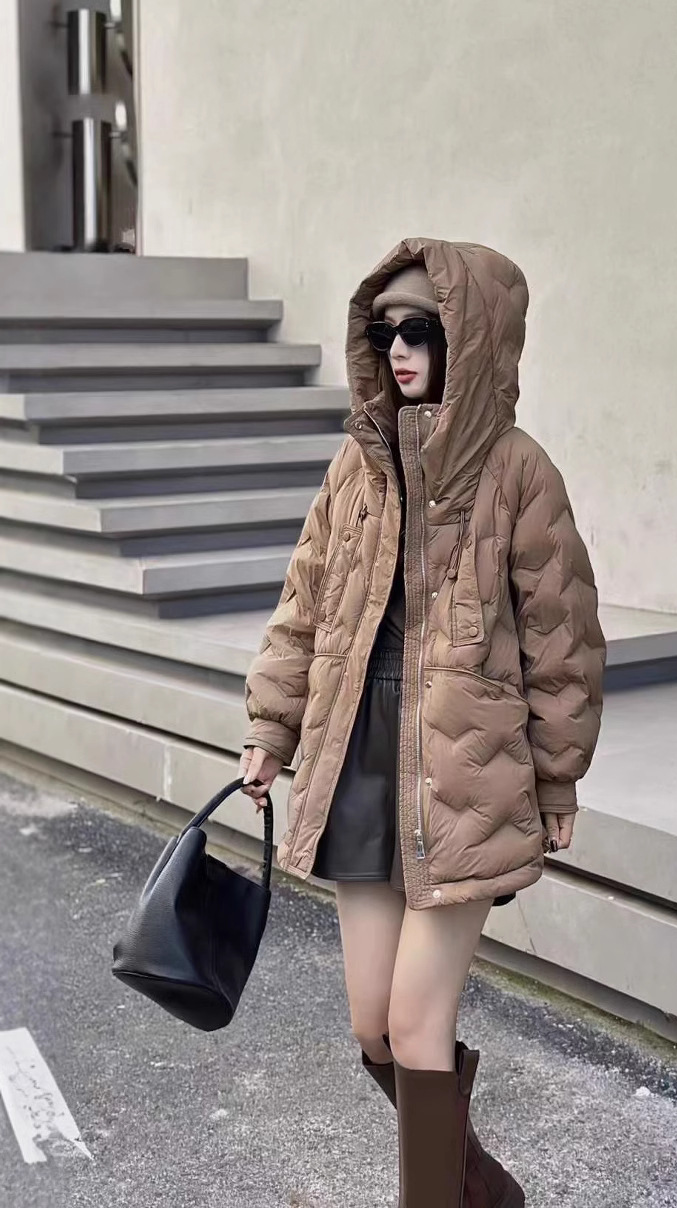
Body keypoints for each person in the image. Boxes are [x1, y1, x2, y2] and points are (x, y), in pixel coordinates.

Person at [238, 237, 606, 1208]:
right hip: (359, 765)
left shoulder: (519, 472)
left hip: (467, 780)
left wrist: (558, 775)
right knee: (373, 1025)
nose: (398, 349)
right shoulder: (356, 468)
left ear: (470, 339)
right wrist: (272, 731)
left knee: (415, 1024)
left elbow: (562, 637)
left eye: (422, 331)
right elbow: (303, 608)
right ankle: (478, 1189)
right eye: (383, 332)